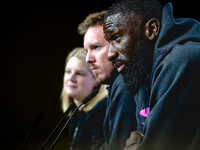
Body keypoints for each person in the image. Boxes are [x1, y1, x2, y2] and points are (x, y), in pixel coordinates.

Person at [103, 0, 200, 150]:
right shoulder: (142, 72)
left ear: (151, 29)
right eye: (109, 41)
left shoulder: (182, 59)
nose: (110, 54)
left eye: (116, 37)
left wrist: (136, 144)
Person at [78, 11, 137, 150]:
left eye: (96, 47)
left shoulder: (124, 84)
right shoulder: (117, 84)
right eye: (87, 50)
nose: (88, 59)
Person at [60, 47, 108, 150]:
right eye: (68, 72)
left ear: (97, 80)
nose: (71, 78)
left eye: (79, 74)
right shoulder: (75, 113)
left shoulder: (100, 113)